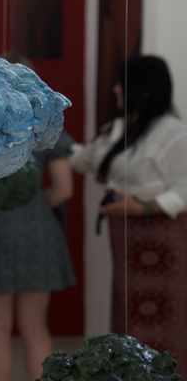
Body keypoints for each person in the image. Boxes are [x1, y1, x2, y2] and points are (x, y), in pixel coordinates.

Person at [71, 55, 187, 377]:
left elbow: (184, 190)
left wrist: (140, 207)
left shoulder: (173, 133)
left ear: (142, 88)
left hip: (162, 240)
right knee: (128, 315)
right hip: (126, 240)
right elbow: (83, 160)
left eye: (122, 82)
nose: (115, 89)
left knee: (165, 318)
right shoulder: (120, 128)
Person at [0, 54, 76, 381]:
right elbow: (64, 190)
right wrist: (35, 201)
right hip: (37, 227)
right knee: (35, 326)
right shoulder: (45, 124)